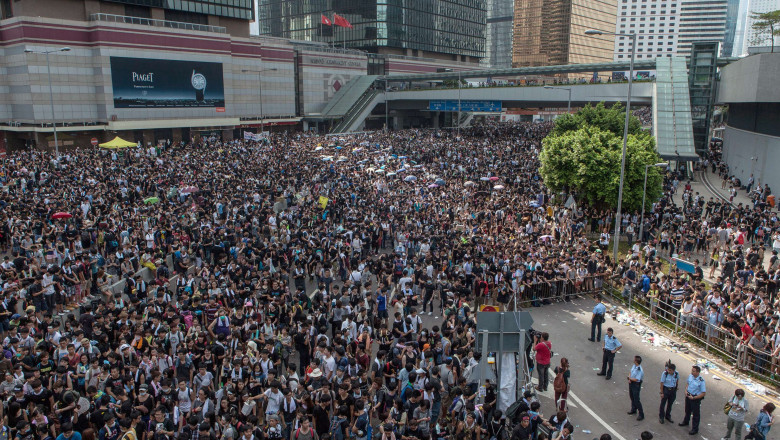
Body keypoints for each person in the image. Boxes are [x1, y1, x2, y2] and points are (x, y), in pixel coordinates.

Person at [679, 365, 706, 435]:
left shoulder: (701, 381)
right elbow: (688, 383)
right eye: (692, 370)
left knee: (695, 414)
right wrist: (685, 390)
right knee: (687, 410)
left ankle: (695, 429)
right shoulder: (690, 376)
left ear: (698, 372)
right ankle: (686, 421)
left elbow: (703, 393)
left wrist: (694, 398)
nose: (692, 372)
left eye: (693, 371)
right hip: (688, 395)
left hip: (695, 398)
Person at [627, 355, 644, 421]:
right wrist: (629, 377)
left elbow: (637, 379)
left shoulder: (639, 370)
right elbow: (630, 372)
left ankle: (641, 414)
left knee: (636, 399)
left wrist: (630, 378)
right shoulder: (634, 366)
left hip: (636, 384)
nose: (633, 360)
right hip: (631, 382)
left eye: (634, 359)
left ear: (636, 361)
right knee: (632, 397)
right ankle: (633, 409)